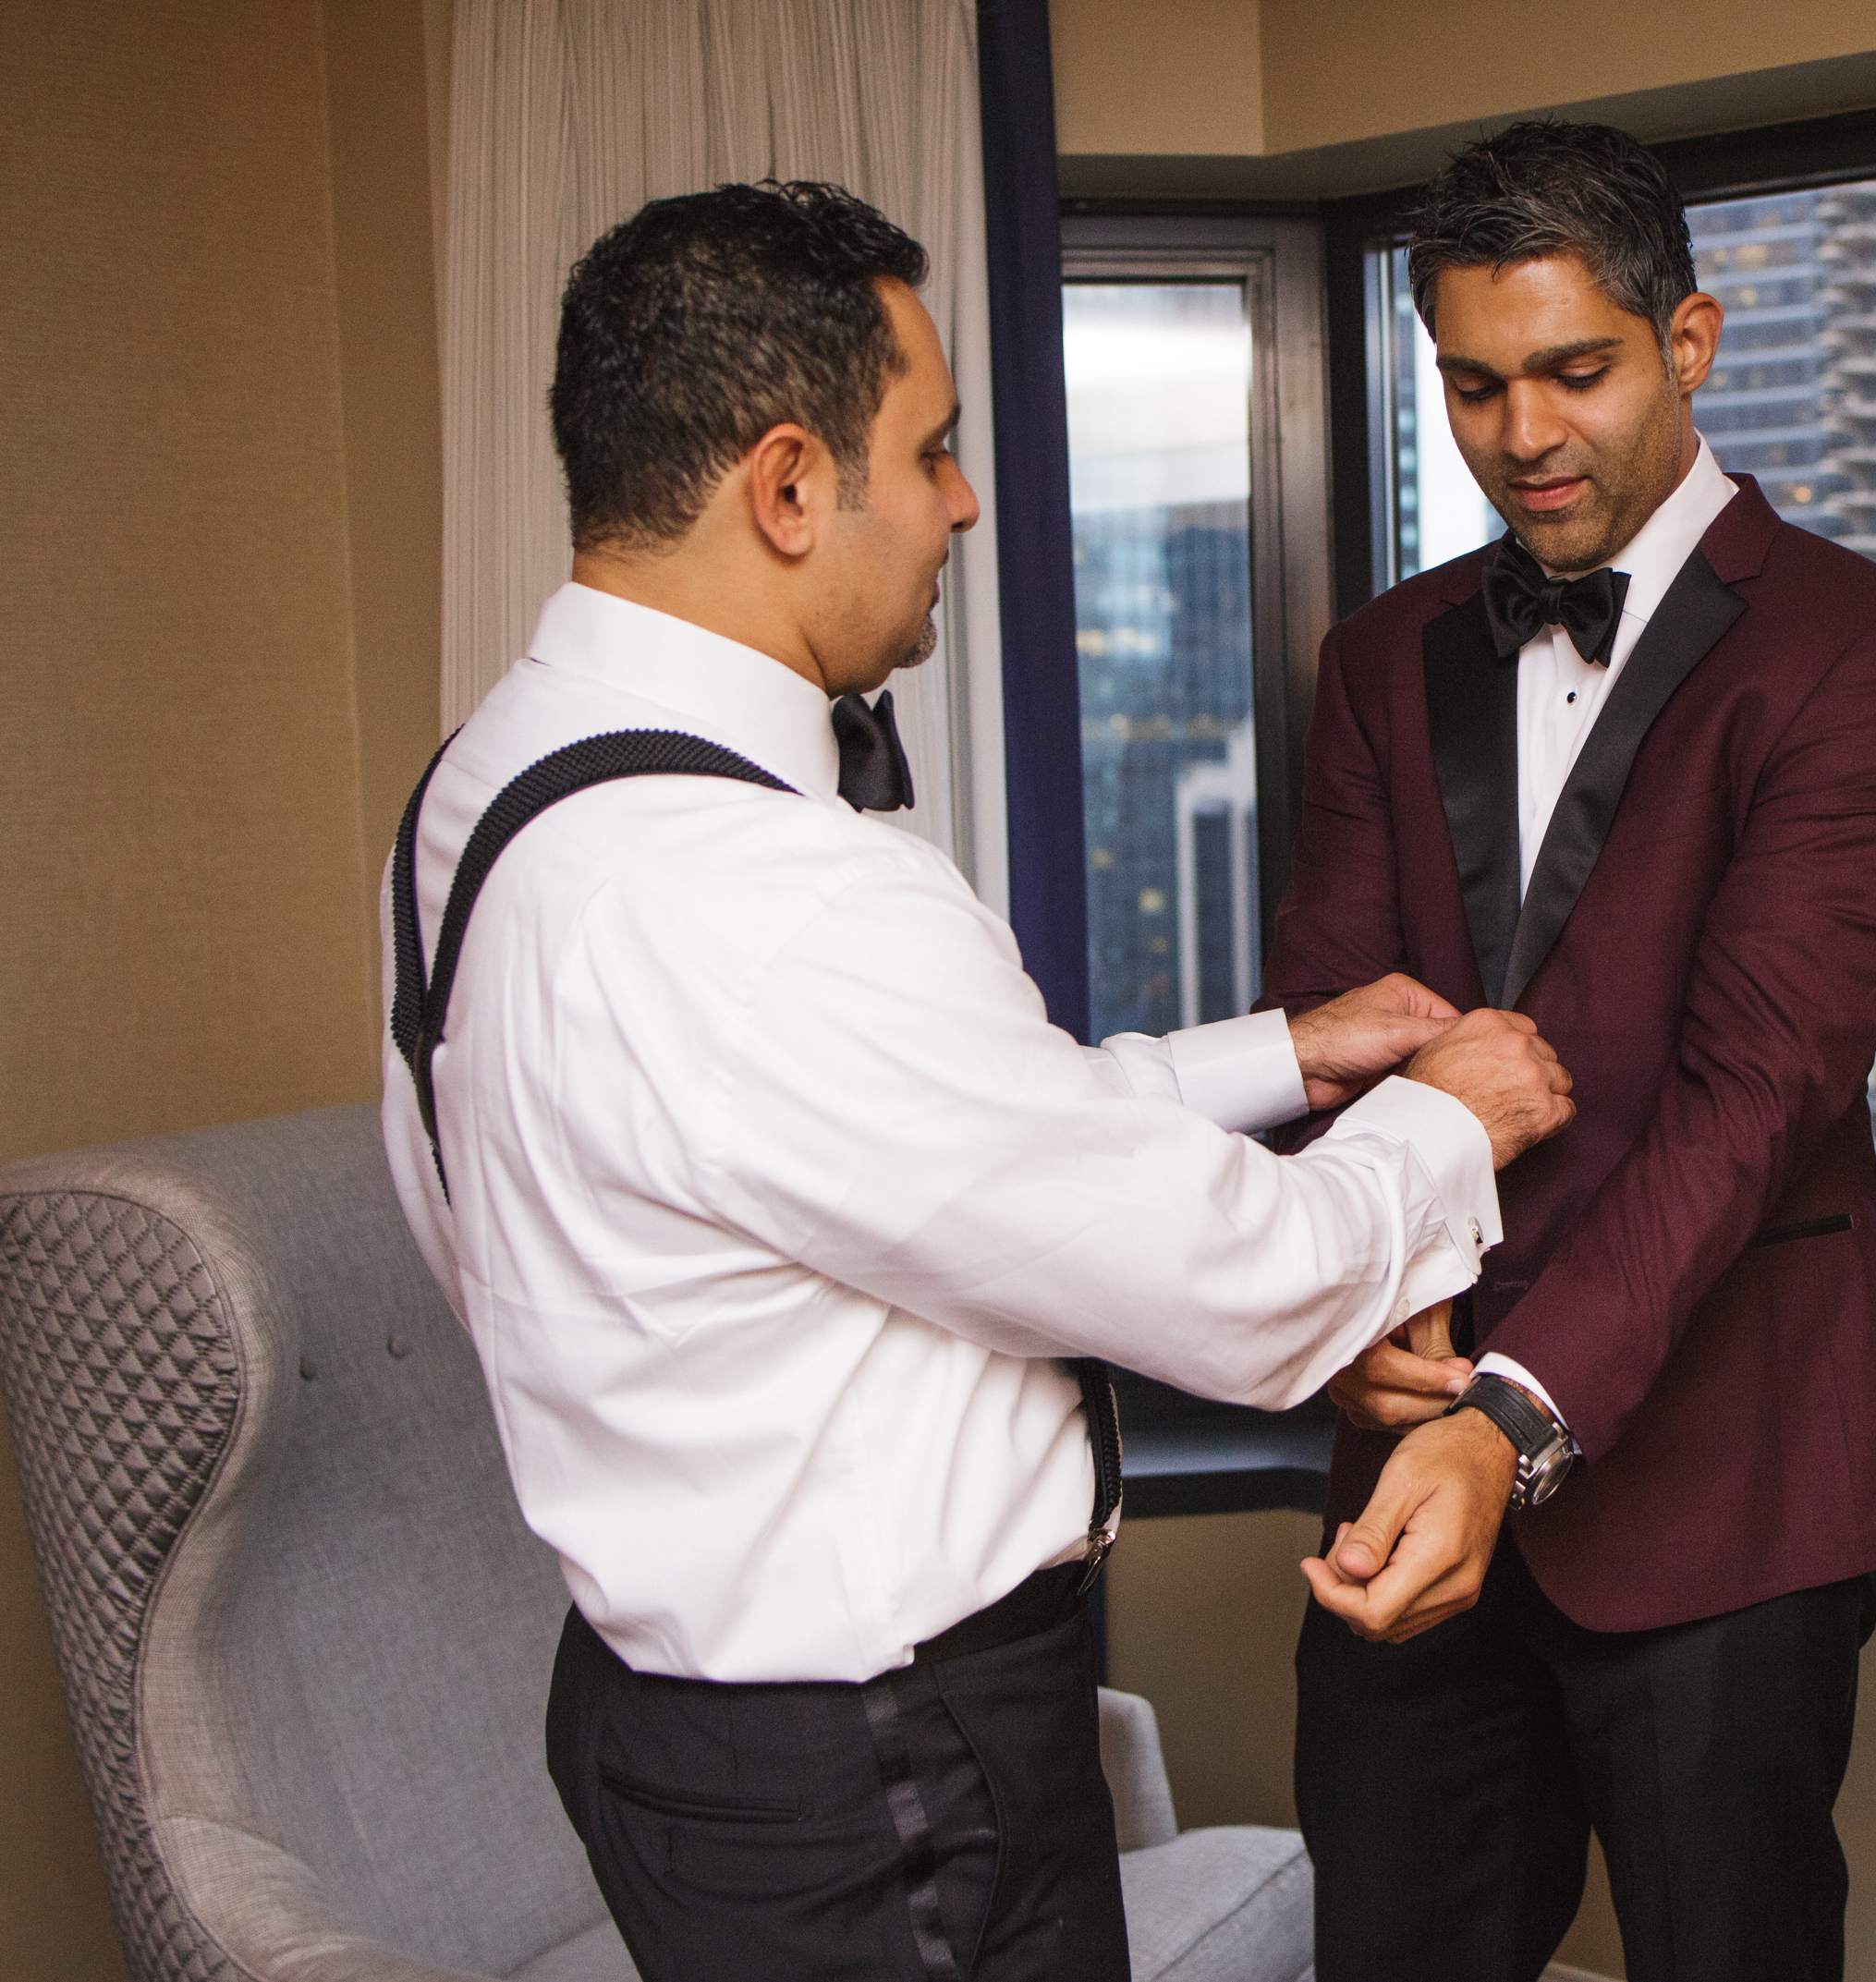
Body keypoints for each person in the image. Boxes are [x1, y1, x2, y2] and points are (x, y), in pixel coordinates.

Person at [380, 179, 1571, 1982]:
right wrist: (1446, 1112)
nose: (962, 500)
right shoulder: (759, 892)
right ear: (785, 485)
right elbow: (1231, 1276)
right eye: (928, 450)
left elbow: (894, 1142)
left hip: (668, 1720)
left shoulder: (486, 790)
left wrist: (1283, 1050)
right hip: (881, 1780)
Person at [1267, 122, 1876, 1982]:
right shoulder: (1382, 651)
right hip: (1404, 1444)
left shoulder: (1874, 658)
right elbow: (1334, 1013)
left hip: (1724, 1466)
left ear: (1692, 339)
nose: (1522, 435)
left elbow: (1755, 1100)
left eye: (1576, 371)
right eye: (1475, 384)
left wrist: (1519, 1409)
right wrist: (1359, 1306)